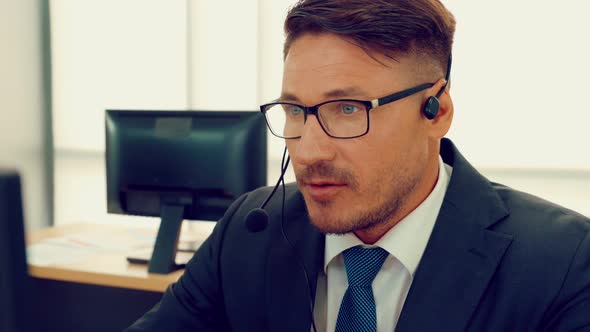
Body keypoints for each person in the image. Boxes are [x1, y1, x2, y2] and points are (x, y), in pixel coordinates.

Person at [126, 0, 590, 331]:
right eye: (294, 110)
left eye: (348, 109)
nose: (307, 152)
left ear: (436, 112)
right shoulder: (251, 232)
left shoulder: (562, 263)